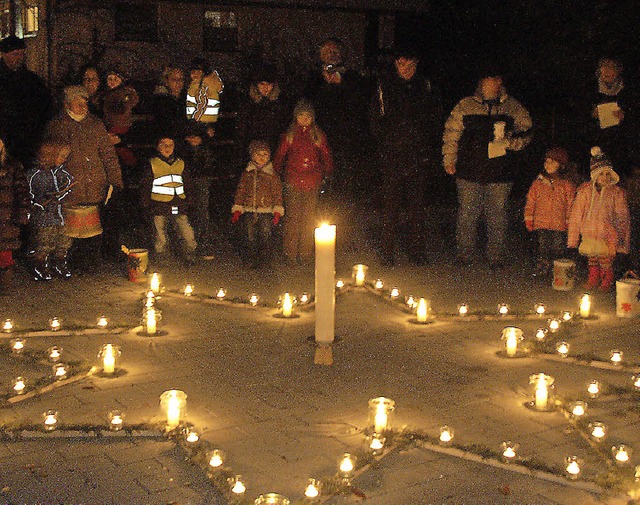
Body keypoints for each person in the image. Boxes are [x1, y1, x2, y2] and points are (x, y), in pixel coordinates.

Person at [443, 67, 533, 269]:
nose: (493, 83)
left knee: (497, 215)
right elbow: (451, 133)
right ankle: (464, 254)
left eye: (496, 80)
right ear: (481, 82)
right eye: (489, 80)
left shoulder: (513, 107)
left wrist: (511, 142)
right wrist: (449, 159)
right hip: (469, 171)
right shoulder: (466, 106)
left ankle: (496, 257)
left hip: (500, 173)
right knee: (467, 213)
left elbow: (527, 132)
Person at [370, 46, 443, 266]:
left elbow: (435, 117)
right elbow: (375, 119)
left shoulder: (425, 86)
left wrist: (425, 145)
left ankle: (417, 251)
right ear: (396, 64)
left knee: (416, 208)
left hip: (417, 156)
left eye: (410, 65)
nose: (406, 69)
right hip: (392, 156)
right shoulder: (384, 85)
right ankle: (387, 251)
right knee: (390, 207)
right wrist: (386, 144)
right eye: (402, 64)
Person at [45, 85, 123, 273]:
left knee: (92, 227)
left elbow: (107, 154)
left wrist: (115, 180)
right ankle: (69, 262)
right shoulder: (57, 125)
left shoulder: (95, 124)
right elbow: (49, 156)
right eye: (77, 102)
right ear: (67, 104)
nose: (82, 106)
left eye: (84, 102)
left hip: (94, 184)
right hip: (70, 186)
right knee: (71, 229)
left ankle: (91, 263)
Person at [304, 38, 370, 199]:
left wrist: (341, 84)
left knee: (345, 180)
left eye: (334, 52)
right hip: (321, 135)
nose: (330, 56)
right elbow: (309, 103)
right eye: (326, 52)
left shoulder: (352, 77)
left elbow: (359, 103)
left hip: (346, 138)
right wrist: (326, 86)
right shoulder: (314, 78)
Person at [273, 99, 332, 265]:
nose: (305, 119)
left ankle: (305, 253)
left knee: (308, 218)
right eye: (301, 115)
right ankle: (290, 253)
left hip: (312, 181)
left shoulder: (317, 135)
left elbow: (326, 155)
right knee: (293, 218)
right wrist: (276, 173)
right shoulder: (290, 135)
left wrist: (327, 173)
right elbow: (280, 155)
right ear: (296, 117)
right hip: (293, 181)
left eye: (308, 116)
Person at [568, 147, 630, 291]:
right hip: (589, 234)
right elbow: (576, 215)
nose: (605, 177)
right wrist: (573, 239)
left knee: (606, 261)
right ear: (595, 175)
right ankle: (593, 279)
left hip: (607, 235)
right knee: (592, 260)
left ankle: (606, 280)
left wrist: (621, 240)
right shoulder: (585, 192)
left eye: (608, 174)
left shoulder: (616, 193)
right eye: (601, 174)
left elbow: (622, 217)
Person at [576, 56, 639, 180]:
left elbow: (635, 114)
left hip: (618, 143)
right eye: (604, 67)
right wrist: (591, 114)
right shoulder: (589, 88)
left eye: (611, 67)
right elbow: (577, 113)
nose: (607, 71)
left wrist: (625, 115)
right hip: (594, 141)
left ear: (618, 71)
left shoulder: (628, 91)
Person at [140, 135, 198, 266]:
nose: (167, 148)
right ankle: (162, 256)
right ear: (157, 147)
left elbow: (188, 183)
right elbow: (145, 186)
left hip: (179, 203)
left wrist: (190, 200)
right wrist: (145, 204)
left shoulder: (180, 163)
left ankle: (190, 254)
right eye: (163, 145)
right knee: (159, 233)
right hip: (159, 204)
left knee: (186, 231)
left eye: (170, 145)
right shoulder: (152, 163)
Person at [524, 147, 576, 278]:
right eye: (546, 161)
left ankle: (557, 271)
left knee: (558, 247)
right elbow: (531, 202)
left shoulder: (566, 185)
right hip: (541, 222)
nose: (548, 165)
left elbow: (571, 205)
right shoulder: (538, 183)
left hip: (559, 224)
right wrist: (529, 218)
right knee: (543, 247)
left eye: (552, 162)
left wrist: (570, 222)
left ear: (561, 165)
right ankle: (543, 269)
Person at [0, 35, 53, 165]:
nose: (19, 58)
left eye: (21, 55)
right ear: (3, 55)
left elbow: (46, 106)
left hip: (29, 142)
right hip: (4, 140)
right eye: (15, 54)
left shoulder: (32, 81)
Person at [231, 141, 284, 269]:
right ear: (252, 156)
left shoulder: (271, 175)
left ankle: (265, 260)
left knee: (265, 235)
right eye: (258, 154)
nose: (262, 157)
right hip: (249, 209)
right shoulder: (247, 173)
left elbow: (277, 193)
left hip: (265, 210)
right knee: (249, 235)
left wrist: (277, 209)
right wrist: (238, 207)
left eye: (265, 154)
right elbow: (241, 190)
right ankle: (250, 259)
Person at [26, 142, 74, 281]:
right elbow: (27, 194)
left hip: (61, 215)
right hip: (43, 216)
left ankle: (59, 263)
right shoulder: (35, 175)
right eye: (62, 156)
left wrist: (65, 192)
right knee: (43, 242)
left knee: (63, 241)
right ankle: (39, 265)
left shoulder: (63, 173)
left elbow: (69, 189)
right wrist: (36, 204)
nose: (64, 159)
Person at [236, 63, 293, 157]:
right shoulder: (248, 105)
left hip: (274, 150)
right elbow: (242, 132)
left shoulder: (281, 105)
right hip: (253, 152)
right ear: (256, 85)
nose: (265, 88)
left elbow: (284, 130)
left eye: (269, 84)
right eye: (262, 84)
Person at [0, 136, 29, 291]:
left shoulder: (11, 166)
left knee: (4, 253)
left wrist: (22, 212)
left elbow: (22, 192)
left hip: (7, 217)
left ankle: (6, 285)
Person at [185, 57, 223, 126]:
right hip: (208, 120)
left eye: (199, 72)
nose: (195, 75)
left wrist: (194, 120)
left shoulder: (201, 85)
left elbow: (202, 103)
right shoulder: (210, 84)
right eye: (193, 72)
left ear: (204, 73)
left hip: (200, 121)